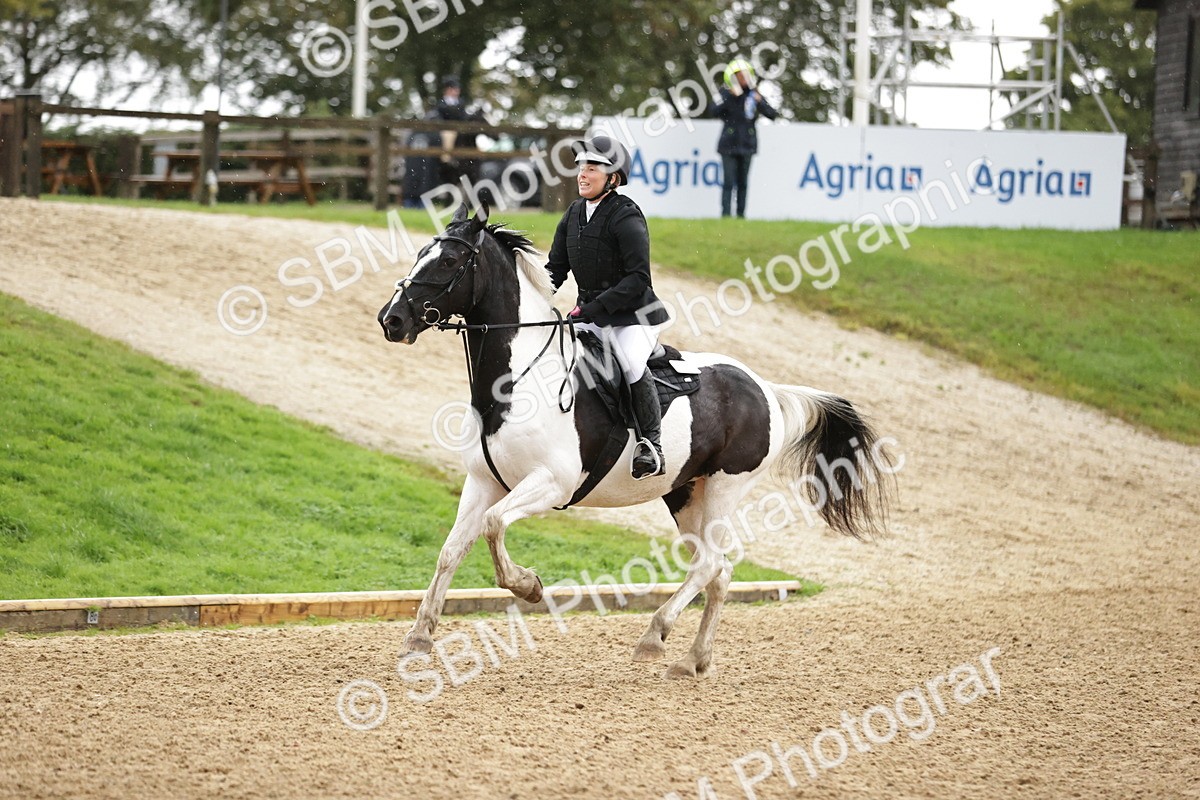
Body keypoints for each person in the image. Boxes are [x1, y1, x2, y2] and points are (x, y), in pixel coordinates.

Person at [545, 136, 671, 480]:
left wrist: (594, 308)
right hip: (591, 315)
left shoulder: (625, 214)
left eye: (592, 168)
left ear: (612, 177)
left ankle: (651, 445)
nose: (582, 174)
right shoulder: (573, 214)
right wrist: (534, 297)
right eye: (580, 167)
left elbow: (638, 278)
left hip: (633, 317)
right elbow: (555, 269)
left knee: (629, 363)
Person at [708, 57, 778, 218]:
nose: (743, 78)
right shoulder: (725, 93)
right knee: (728, 182)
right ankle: (726, 215)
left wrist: (760, 101)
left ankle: (741, 215)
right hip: (728, 144)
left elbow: (772, 114)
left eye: (746, 75)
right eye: (740, 75)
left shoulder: (754, 94)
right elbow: (713, 111)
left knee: (743, 183)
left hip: (747, 144)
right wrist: (730, 97)